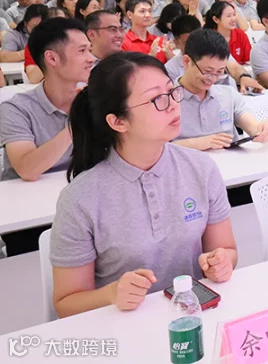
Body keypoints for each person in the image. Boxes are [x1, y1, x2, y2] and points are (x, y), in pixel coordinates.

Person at [49, 52, 236, 318]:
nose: (173, 105)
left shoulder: (201, 168)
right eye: (157, 99)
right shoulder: (80, 199)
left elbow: (227, 250)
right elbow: (66, 303)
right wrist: (111, 294)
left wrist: (221, 262)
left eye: (172, 92)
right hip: (122, 327)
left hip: (193, 318)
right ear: (118, 121)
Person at [0, 18, 94, 182]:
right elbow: (27, 170)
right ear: (52, 58)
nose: (91, 58)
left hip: (79, 189)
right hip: (26, 194)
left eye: (90, 50)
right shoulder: (16, 109)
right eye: (82, 51)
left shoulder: (94, 99)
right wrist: (75, 125)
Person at [173, 30, 268, 151]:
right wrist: (196, 143)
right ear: (187, 62)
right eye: (208, 71)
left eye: (220, 72)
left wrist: (262, 129)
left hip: (232, 160)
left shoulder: (228, 94)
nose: (213, 79)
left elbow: (252, 126)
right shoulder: (165, 100)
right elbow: (156, 148)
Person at [121, 0, 171, 64]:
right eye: (142, 11)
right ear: (130, 15)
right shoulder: (123, 43)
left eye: (150, 11)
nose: (148, 15)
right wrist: (150, 58)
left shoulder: (160, 41)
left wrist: (169, 55)